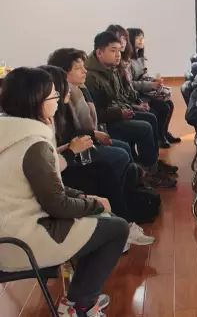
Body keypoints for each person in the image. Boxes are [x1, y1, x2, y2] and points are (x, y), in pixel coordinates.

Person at [0, 67, 129, 317]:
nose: (58, 100)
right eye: (53, 96)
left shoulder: (11, 134)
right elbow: (56, 204)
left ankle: (81, 295)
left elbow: (47, 187)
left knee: (102, 218)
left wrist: (82, 197)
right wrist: (95, 204)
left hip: (10, 232)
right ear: (36, 102)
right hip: (21, 242)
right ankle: (79, 305)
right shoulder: (33, 143)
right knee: (117, 228)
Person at [39, 65, 155, 249]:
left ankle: (123, 219)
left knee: (111, 165)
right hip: (57, 177)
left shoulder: (56, 112)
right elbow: (48, 165)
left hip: (68, 160)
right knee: (107, 167)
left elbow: (66, 139)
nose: (67, 90)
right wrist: (71, 150)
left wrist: (80, 142)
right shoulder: (39, 126)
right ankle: (121, 225)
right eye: (59, 90)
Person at [85, 31, 177, 186]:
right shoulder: (92, 77)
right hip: (106, 124)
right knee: (145, 127)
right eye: (113, 51)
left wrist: (135, 105)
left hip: (117, 113)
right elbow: (97, 114)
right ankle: (148, 172)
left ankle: (151, 165)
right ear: (99, 52)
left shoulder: (111, 68)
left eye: (119, 51)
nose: (118, 55)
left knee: (151, 117)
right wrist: (120, 113)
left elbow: (121, 96)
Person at [128, 27, 180, 146]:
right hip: (138, 95)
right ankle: (159, 137)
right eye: (138, 38)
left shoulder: (139, 57)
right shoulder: (128, 61)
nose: (141, 40)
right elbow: (131, 84)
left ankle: (164, 133)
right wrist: (151, 85)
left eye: (142, 37)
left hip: (144, 91)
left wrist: (154, 81)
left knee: (169, 104)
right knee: (163, 107)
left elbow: (143, 76)